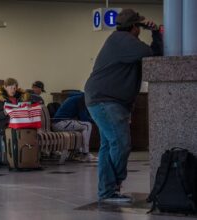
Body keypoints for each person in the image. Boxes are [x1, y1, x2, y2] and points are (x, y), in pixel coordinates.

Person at [84, 9, 163, 202]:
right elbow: (152, 54)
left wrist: (152, 31)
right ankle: (113, 185)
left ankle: (107, 192)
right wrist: (155, 31)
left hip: (102, 99)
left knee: (108, 146)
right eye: (139, 26)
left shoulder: (119, 40)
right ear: (134, 27)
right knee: (121, 144)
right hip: (106, 100)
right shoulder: (123, 40)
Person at [52, 92, 96, 162]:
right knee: (87, 125)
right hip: (60, 123)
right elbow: (83, 117)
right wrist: (97, 121)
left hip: (59, 123)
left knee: (82, 127)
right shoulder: (80, 99)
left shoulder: (78, 98)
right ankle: (85, 154)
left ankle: (77, 154)